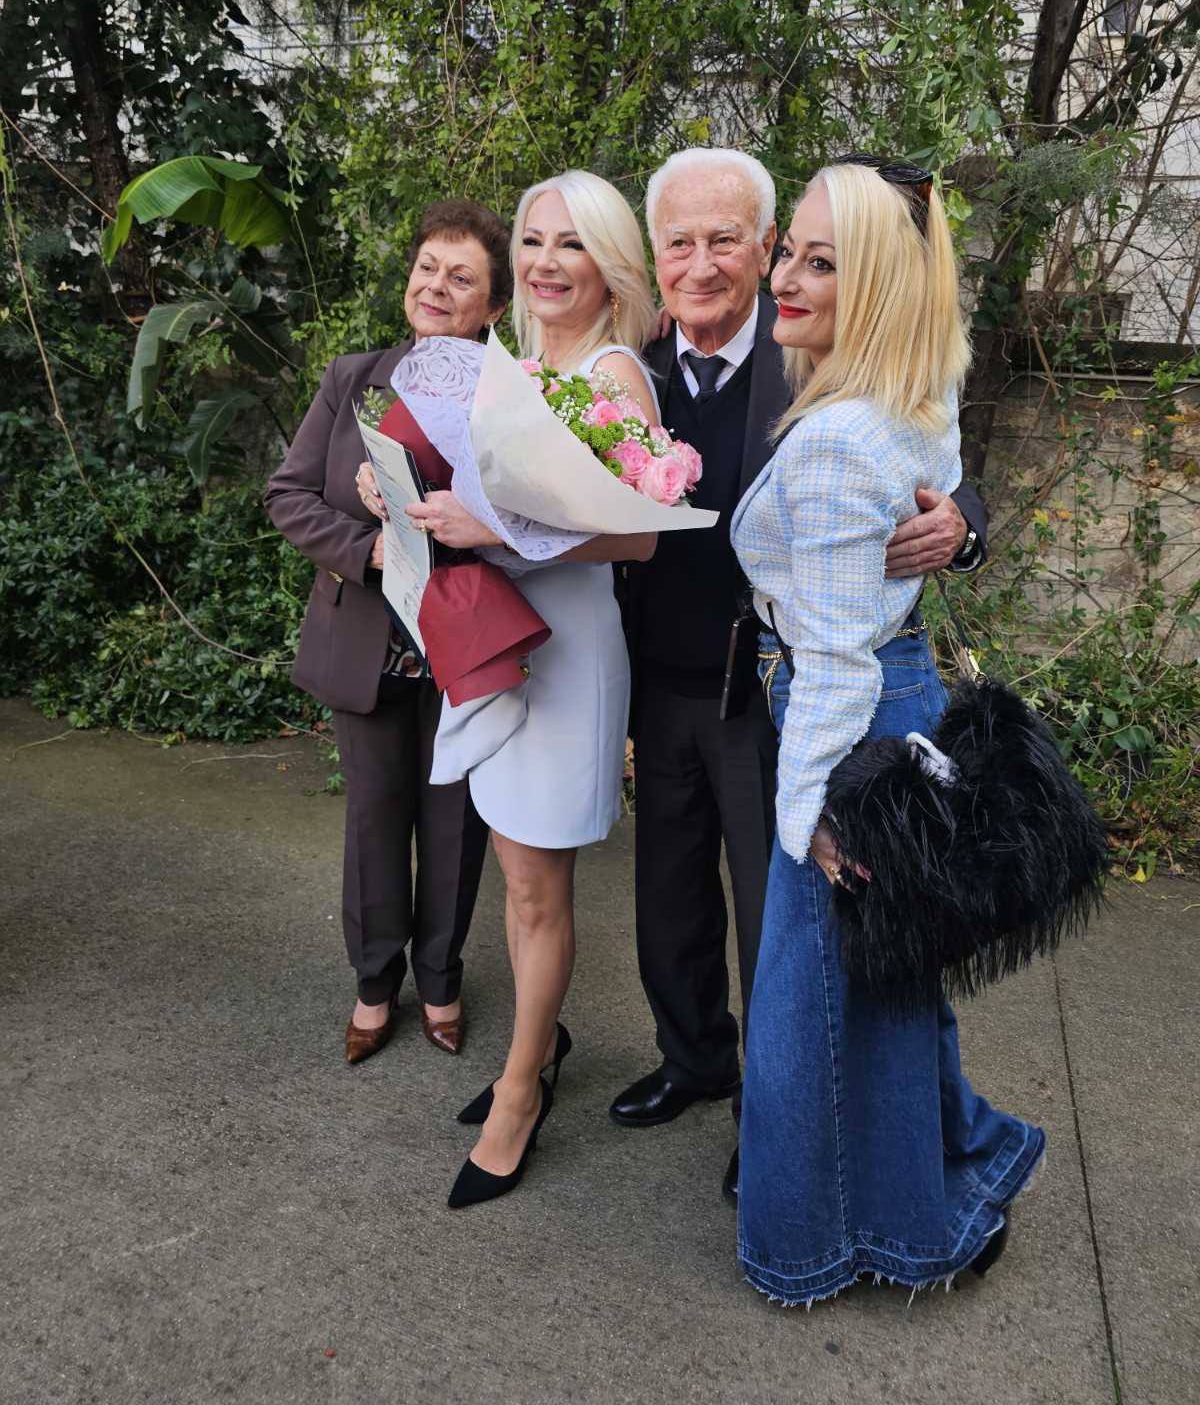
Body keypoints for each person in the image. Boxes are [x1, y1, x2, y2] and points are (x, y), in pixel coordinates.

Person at [612, 149, 988, 1187]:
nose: (701, 264)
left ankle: (772, 1118)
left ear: (766, 245)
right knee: (668, 896)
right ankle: (693, 1058)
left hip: (775, 681)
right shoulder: (625, 368)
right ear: (655, 254)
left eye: (725, 239)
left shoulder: (819, 341)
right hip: (660, 671)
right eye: (679, 243)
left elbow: (929, 441)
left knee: (780, 921)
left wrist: (963, 525)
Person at [730, 156, 1044, 1304]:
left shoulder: (839, 435)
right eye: (790, 250)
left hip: (848, 715)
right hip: (883, 699)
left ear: (876, 284)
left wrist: (803, 807)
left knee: (813, 1001)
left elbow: (832, 660)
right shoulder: (915, 386)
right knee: (886, 978)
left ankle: (864, 1234)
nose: (784, 275)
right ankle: (948, 1171)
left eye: (822, 260)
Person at [358, 170, 662, 1209]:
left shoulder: (614, 373)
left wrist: (491, 528)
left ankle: (523, 1090)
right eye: (532, 240)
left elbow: (639, 536)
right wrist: (392, 486)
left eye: (570, 244)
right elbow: (465, 487)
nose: (544, 262)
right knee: (515, 872)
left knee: (538, 888)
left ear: (609, 265)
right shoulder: (520, 364)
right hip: (499, 643)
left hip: (567, 653)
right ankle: (540, 1043)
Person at [264, 200, 508, 1064]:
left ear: (493, 306)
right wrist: (368, 551)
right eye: (427, 268)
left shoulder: (513, 397)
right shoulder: (354, 378)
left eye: (462, 277)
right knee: (373, 820)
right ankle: (375, 983)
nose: (436, 287)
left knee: (454, 824)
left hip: (462, 643)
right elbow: (288, 494)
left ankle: (440, 979)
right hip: (366, 641)